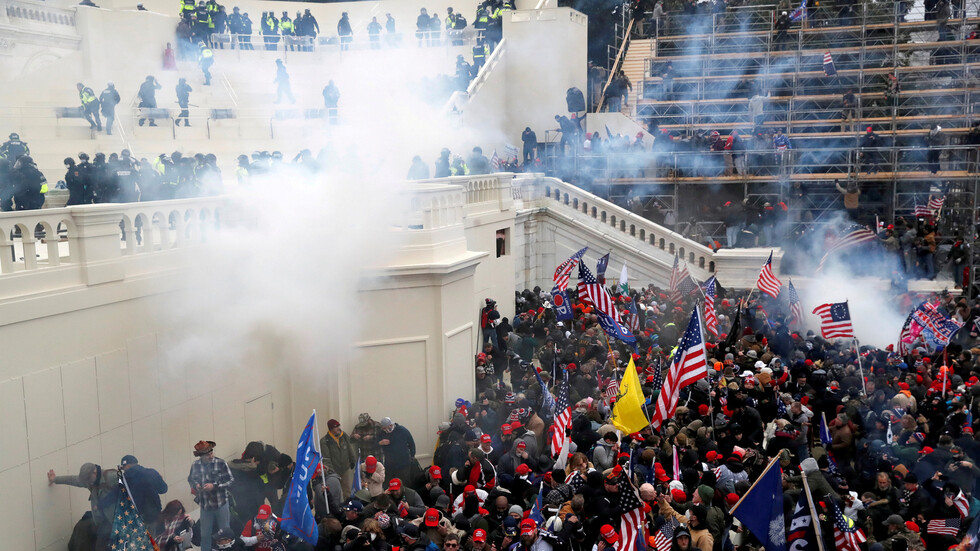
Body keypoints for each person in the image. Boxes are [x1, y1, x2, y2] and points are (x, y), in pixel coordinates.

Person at [49, 462, 121, 550]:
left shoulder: (111, 476)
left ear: (95, 472)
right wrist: (55, 479)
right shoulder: (89, 481)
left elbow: (129, 482)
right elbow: (72, 480)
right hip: (103, 523)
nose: (87, 482)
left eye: (88, 479)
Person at [186, 439, 234, 551]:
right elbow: (191, 479)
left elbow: (230, 480)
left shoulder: (221, 463)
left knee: (225, 533)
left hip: (221, 504)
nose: (211, 456)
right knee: (205, 535)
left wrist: (214, 486)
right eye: (208, 455)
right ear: (201, 456)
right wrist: (196, 485)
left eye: (211, 453)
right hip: (205, 507)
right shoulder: (195, 465)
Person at [119, 455, 169, 525]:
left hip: (136, 518)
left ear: (127, 466)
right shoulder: (151, 472)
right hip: (155, 514)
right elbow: (163, 489)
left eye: (123, 468)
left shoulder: (123, 481)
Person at [320, 418, 358, 496]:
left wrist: (352, 460)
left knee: (347, 490)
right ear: (331, 429)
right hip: (334, 471)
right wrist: (331, 471)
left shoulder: (344, 436)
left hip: (345, 469)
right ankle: (337, 503)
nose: (338, 428)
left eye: (338, 426)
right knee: (335, 490)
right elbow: (326, 458)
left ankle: (348, 502)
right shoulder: (325, 441)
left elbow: (349, 448)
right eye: (336, 427)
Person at [379, 416, 416, 482]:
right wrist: (380, 443)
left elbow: (411, 443)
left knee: (404, 483)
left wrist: (412, 455)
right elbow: (375, 443)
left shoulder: (402, 430)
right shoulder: (382, 432)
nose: (385, 430)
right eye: (383, 428)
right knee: (389, 483)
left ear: (391, 425)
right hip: (389, 465)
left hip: (403, 464)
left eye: (386, 428)